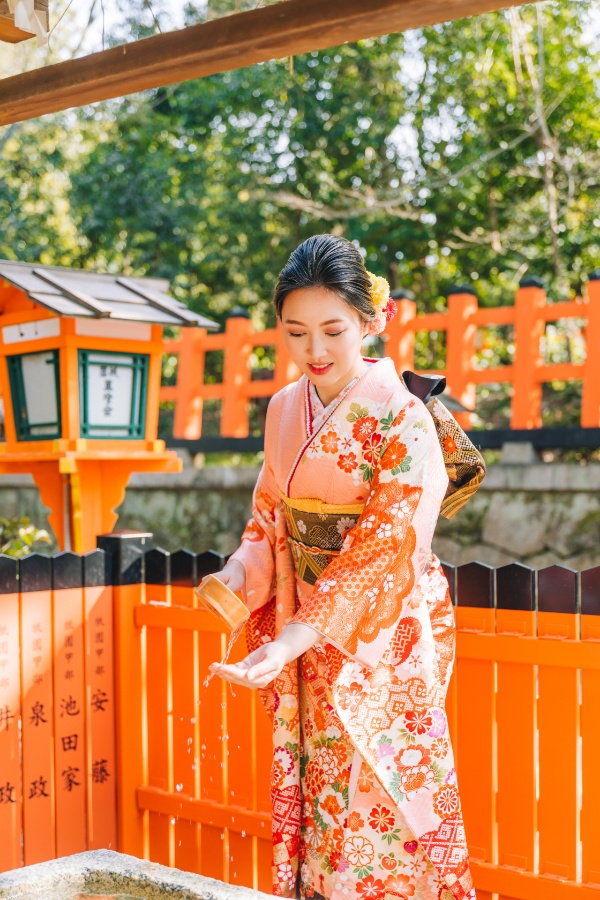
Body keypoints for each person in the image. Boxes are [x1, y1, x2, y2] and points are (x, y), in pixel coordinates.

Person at [204, 234, 476, 900]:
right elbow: (270, 515)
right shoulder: (282, 411)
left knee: (383, 786)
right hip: (304, 622)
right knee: (318, 780)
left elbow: (384, 548)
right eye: (296, 332)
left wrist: (294, 635)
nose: (315, 351)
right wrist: (242, 572)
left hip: (385, 632)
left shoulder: (402, 418)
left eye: (332, 330)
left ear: (371, 321)